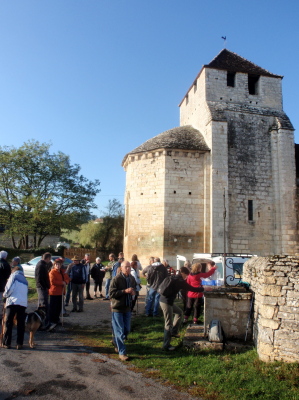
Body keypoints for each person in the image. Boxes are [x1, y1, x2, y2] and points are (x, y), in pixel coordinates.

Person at [159, 266, 207, 351]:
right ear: (182, 273)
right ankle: (166, 345)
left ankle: (174, 332)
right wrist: (204, 288)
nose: (187, 276)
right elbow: (192, 288)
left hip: (165, 300)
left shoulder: (173, 277)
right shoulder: (180, 281)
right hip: (166, 302)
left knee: (179, 312)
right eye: (186, 275)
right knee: (168, 323)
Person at [109, 261, 136, 361]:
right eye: (126, 267)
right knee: (120, 331)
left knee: (126, 330)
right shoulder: (116, 279)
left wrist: (133, 292)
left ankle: (115, 340)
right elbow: (111, 293)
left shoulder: (131, 278)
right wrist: (124, 291)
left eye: (129, 267)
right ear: (121, 268)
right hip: (117, 308)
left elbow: (134, 289)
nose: (128, 269)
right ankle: (122, 353)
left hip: (127, 308)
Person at [2, 265, 28, 349]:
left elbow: (9, 288)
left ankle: (7, 343)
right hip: (22, 303)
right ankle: (19, 343)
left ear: (13, 271)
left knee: (9, 323)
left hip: (13, 302)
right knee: (20, 324)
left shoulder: (13, 276)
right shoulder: (25, 280)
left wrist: (5, 295)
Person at [48, 259, 70, 330]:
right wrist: (62, 283)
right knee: (53, 308)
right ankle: (52, 321)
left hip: (61, 292)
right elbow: (52, 282)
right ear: (54, 265)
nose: (58, 266)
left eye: (59, 264)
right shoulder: (52, 272)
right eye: (56, 264)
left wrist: (65, 282)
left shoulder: (62, 272)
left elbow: (67, 279)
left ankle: (57, 319)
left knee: (58, 307)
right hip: (54, 292)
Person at [35, 252, 51, 328]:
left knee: (43, 304)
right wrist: (44, 287)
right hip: (41, 288)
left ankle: (42, 322)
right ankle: (42, 323)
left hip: (43, 287)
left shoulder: (42, 265)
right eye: (49, 259)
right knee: (43, 305)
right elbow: (39, 278)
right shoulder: (41, 265)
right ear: (47, 258)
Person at [0, 251, 11, 319]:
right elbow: (8, 275)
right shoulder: (6, 264)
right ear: (5, 257)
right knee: (1, 301)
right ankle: (1, 314)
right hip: (1, 285)